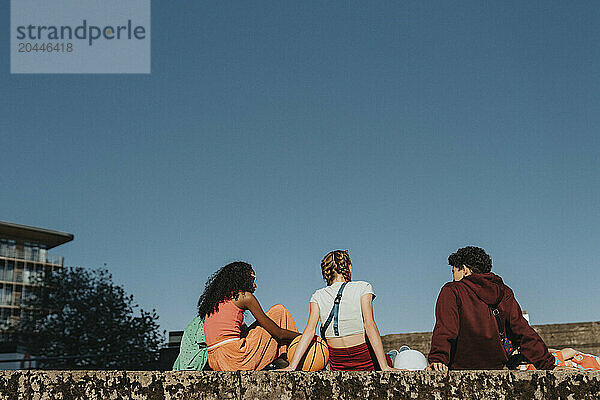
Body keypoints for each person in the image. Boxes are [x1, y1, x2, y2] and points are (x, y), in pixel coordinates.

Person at [428, 246, 556, 371]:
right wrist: (546, 363)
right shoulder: (504, 291)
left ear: (465, 269)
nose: (453, 277)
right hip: (495, 366)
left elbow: (446, 327)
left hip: (460, 367)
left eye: (454, 271)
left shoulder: (452, 290)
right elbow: (522, 330)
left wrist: (438, 358)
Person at [281, 250, 398, 371]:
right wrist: (384, 367)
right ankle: (393, 356)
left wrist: (291, 366)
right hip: (364, 358)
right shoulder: (363, 287)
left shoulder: (317, 295)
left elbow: (309, 332)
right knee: (393, 357)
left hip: (338, 363)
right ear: (349, 268)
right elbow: (369, 325)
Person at [199, 261, 299, 371]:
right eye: (253, 278)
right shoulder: (244, 297)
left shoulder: (217, 301)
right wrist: (304, 337)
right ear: (243, 278)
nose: (255, 284)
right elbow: (278, 333)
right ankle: (286, 356)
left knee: (257, 326)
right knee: (279, 311)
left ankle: (282, 357)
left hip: (214, 360)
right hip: (234, 358)